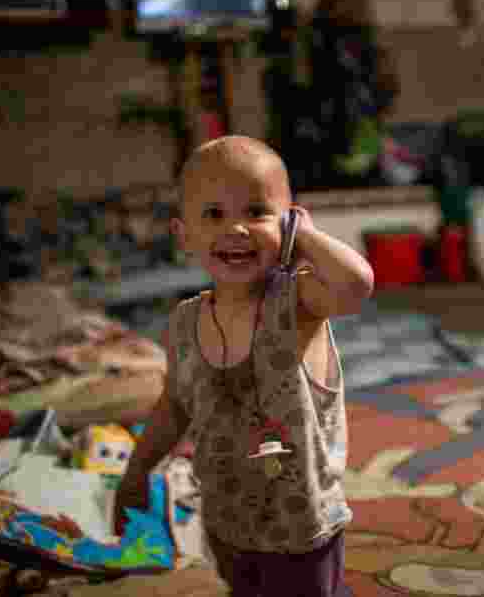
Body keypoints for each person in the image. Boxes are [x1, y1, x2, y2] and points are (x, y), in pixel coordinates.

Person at [114, 135, 373, 596]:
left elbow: (356, 285)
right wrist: (137, 473)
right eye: (214, 215)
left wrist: (307, 238)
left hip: (302, 528)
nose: (236, 229)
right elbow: (175, 405)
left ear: (287, 221)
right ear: (184, 235)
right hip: (227, 520)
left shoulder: (297, 301)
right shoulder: (183, 323)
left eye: (256, 212)